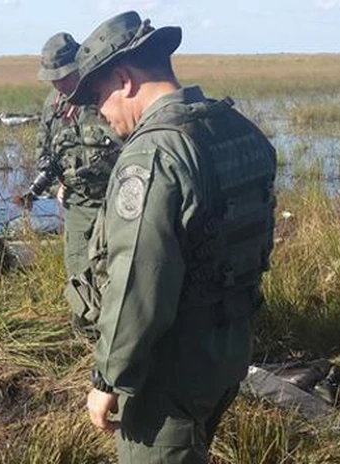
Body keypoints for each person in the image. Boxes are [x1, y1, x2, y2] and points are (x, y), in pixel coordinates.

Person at [68, 11, 277, 463]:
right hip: (228, 349)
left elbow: (138, 283)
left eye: (100, 96)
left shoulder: (153, 154)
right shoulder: (240, 130)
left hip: (169, 367)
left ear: (124, 80)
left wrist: (108, 379)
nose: (101, 115)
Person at [35, 32, 121, 337]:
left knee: (118, 271)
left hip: (116, 201)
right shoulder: (53, 105)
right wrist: (54, 184)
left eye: (64, 76)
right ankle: (89, 338)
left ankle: (119, 340)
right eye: (53, 79)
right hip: (77, 207)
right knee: (80, 273)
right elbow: (44, 154)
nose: (59, 84)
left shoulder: (104, 94)